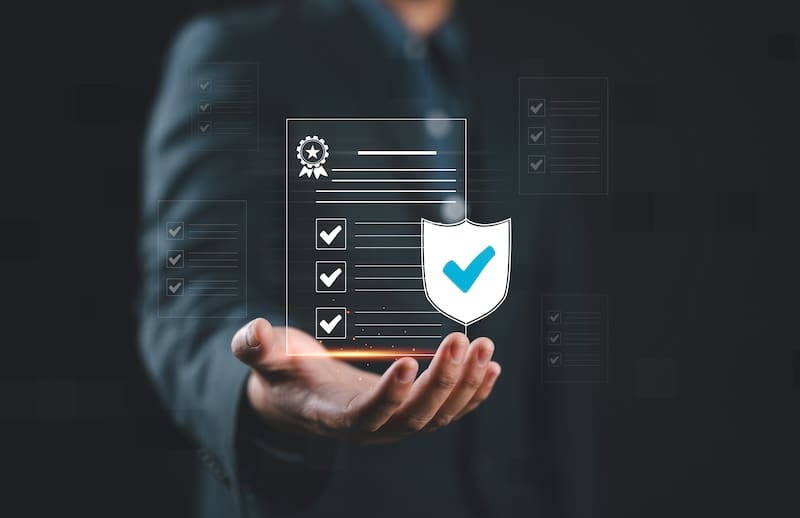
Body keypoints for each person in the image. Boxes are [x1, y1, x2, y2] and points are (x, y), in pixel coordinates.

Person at [139, 1, 604, 516]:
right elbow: (194, 294)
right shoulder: (239, 54)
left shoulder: (516, 93)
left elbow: (559, 339)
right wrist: (266, 387)